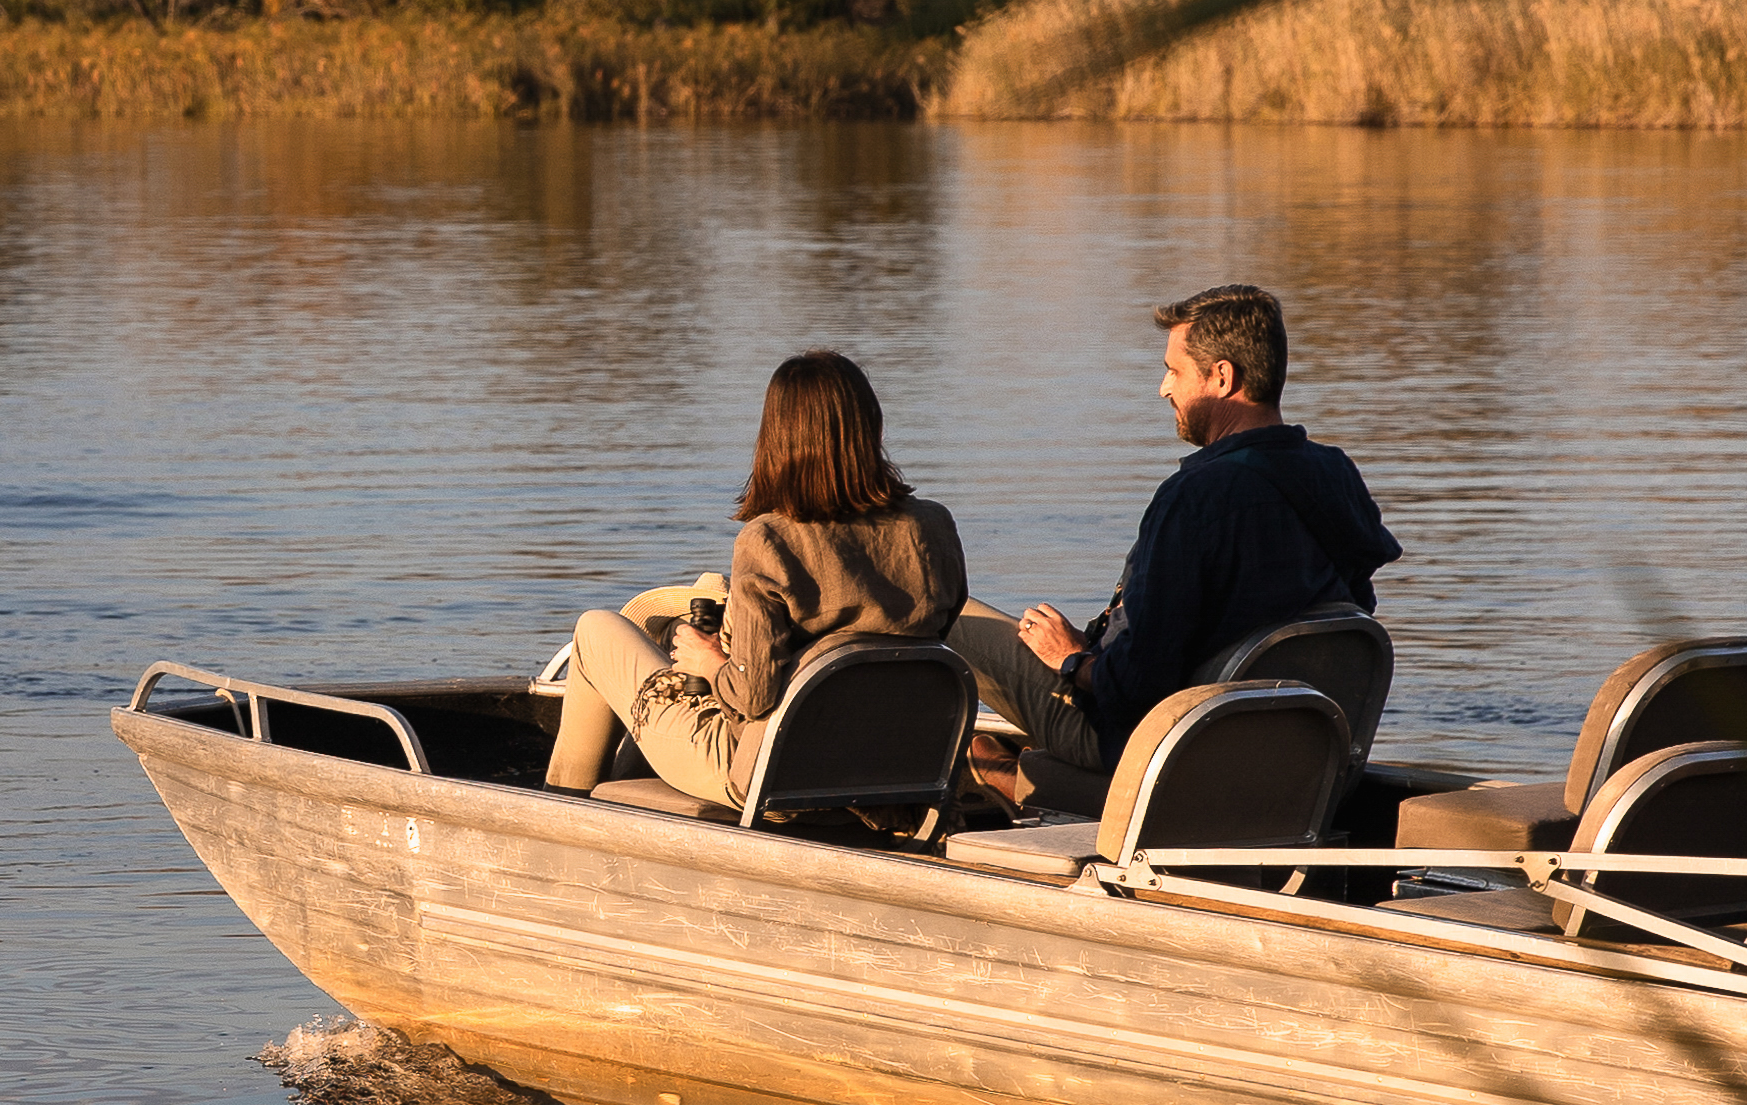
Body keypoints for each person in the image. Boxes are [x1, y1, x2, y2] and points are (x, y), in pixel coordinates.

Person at [955, 282, 1399, 810]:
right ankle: (1021, 770)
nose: (1164, 389)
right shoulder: (1336, 475)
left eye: (1174, 370)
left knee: (951, 613)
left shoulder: (1192, 499)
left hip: (1157, 745)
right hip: (1282, 744)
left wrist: (1072, 657)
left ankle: (1000, 778)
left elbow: (1135, 688)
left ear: (1222, 377)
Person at [543, 351, 970, 805]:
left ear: (775, 441)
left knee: (595, 630)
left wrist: (707, 661)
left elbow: (751, 697)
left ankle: (556, 809)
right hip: (893, 771)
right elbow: (931, 642)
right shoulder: (933, 526)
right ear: (874, 431)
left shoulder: (768, 539)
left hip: (763, 774)